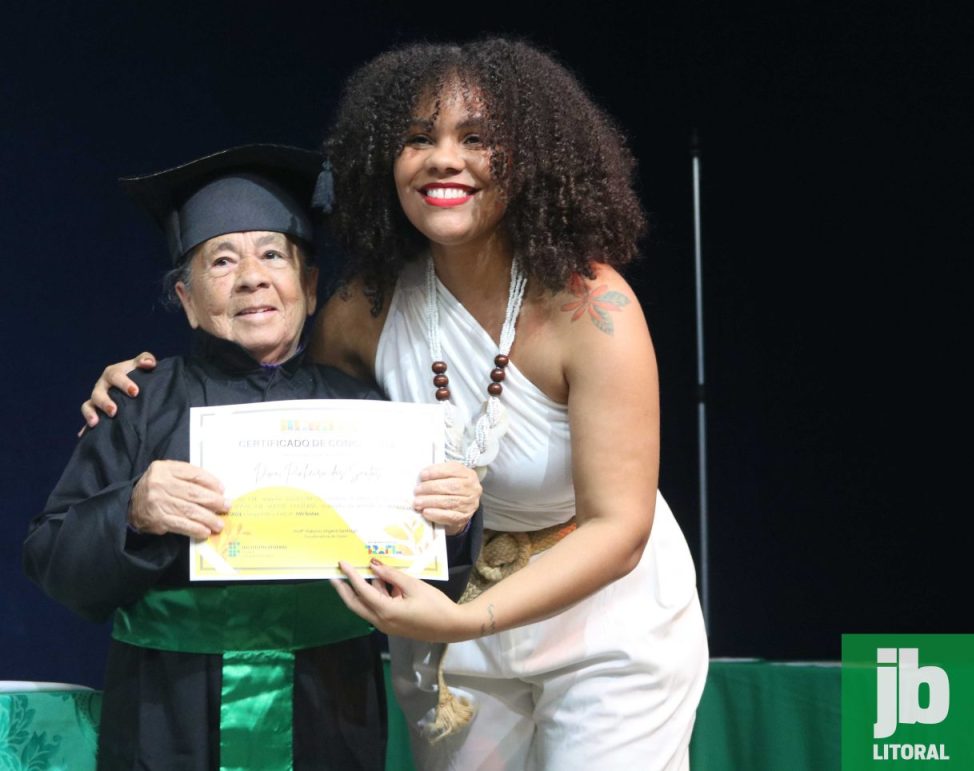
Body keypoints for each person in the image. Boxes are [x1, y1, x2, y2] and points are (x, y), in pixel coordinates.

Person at [81, 39, 708, 771]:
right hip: (434, 614)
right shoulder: (362, 310)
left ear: (532, 156)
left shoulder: (592, 307)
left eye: (476, 139)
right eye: (418, 139)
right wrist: (132, 389)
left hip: (602, 616)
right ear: (387, 161)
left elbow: (622, 526)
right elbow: (281, 415)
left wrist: (467, 615)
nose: (445, 159)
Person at [26, 144, 481, 770]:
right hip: (169, 717)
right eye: (221, 260)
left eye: (273, 254)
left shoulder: (370, 412)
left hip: (330, 712)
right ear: (186, 299)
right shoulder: (137, 404)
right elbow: (51, 562)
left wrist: (455, 523)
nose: (251, 277)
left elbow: (430, 578)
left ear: (311, 286)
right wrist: (133, 511)